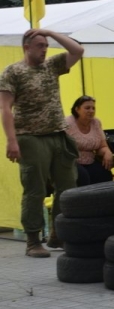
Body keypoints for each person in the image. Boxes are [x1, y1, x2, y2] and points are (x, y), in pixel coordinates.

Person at [0, 28, 84, 257]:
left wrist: (49, 33)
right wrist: (11, 141)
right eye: (40, 46)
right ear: (26, 47)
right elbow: (5, 108)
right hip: (30, 137)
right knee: (35, 190)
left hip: (58, 134)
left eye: (46, 46)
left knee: (67, 188)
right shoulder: (13, 72)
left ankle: (59, 235)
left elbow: (78, 50)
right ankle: (33, 241)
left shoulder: (52, 65)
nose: (44, 50)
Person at [66, 96, 114, 186]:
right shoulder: (67, 123)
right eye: (87, 108)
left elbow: (102, 146)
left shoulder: (96, 123)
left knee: (105, 174)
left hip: (90, 161)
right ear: (77, 109)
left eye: (93, 108)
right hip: (71, 162)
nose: (91, 111)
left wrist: (107, 152)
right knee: (83, 177)